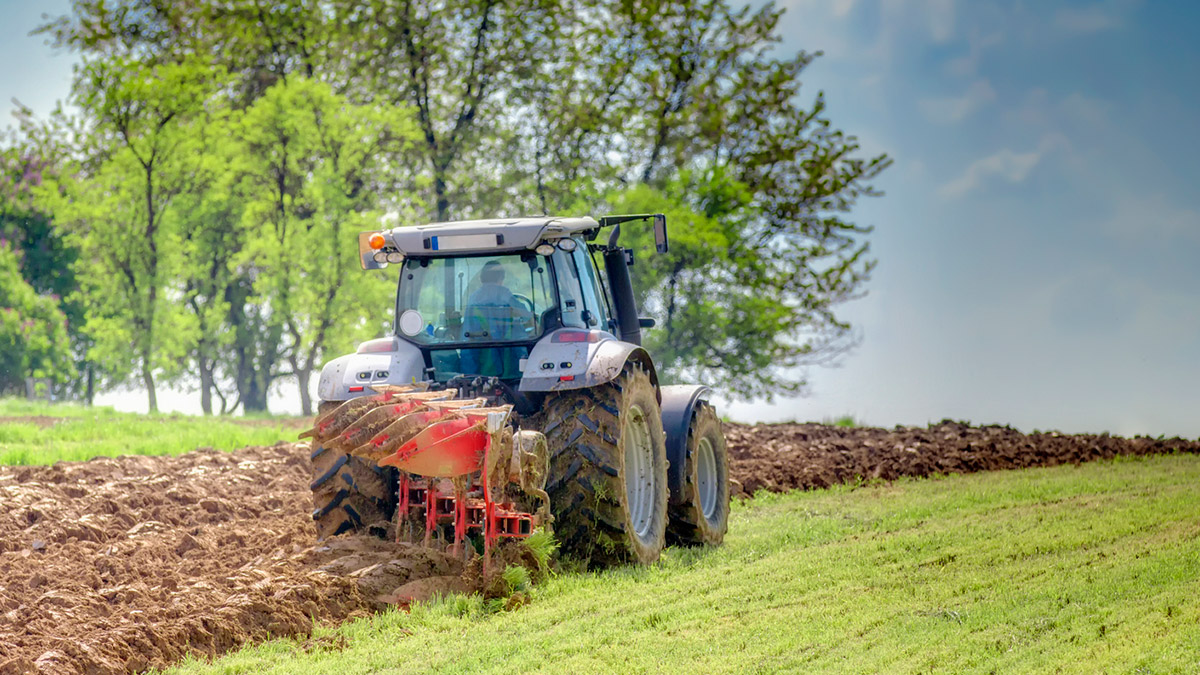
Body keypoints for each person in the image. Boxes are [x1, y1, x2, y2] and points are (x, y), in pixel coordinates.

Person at [460, 260, 532, 377]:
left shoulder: (473, 298)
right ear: (501, 279)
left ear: (481, 278)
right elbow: (526, 317)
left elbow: (467, 336)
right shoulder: (505, 294)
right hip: (509, 359)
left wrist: (468, 376)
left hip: (483, 359)